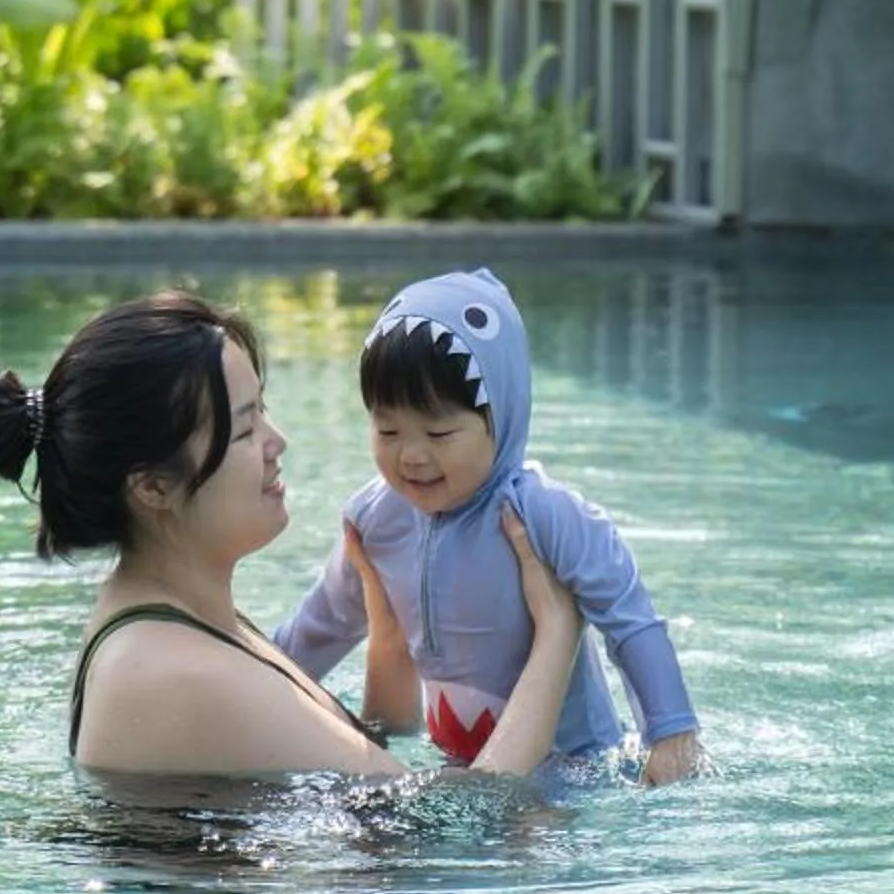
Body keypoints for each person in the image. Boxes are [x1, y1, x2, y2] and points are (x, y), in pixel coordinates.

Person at [0, 290, 585, 780]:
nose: (276, 442)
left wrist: (387, 630)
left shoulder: (188, 622)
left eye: (262, 409)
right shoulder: (175, 671)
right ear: (153, 487)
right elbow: (460, 825)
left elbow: (366, 763)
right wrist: (557, 630)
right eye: (244, 431)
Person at [272, 268, 706, 785]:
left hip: (575, 771)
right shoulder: (376, 518)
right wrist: (251, 687)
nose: (411, 455)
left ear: (502, 417)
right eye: (387, 429)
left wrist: (671, 734)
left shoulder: (543, 515)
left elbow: (630, 618)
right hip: (458, 762)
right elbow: (323, 625)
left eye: (439, 432)